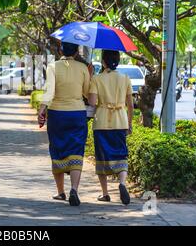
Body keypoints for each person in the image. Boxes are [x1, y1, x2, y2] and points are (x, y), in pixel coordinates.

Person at [38, 42, 92, 206]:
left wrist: (41, 110)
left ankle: (60, 191)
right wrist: (89, 75)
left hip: (57, 114)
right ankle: (74, 189)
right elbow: (88, 94)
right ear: (77, 52)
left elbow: (49, 91)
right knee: (76, 149)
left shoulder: (53, 66)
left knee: (57, 149)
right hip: (77, 113)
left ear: (61, 50)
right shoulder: (83, 68)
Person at [88, 50, 133, 205]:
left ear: (104, 61)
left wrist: (91, 79)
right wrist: (130, 123)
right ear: (118, 61)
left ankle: (105, 193)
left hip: (101, 122)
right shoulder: (125, 78)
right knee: (121, 154)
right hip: (120, 121)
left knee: (102, 157)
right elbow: (130, 104)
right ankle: (121, 183)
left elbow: (92, 102)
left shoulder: (96, 78)